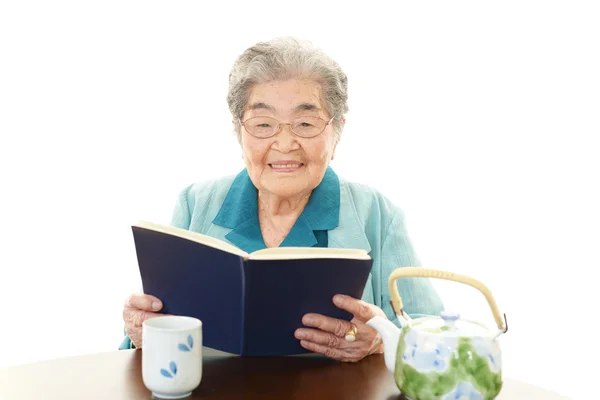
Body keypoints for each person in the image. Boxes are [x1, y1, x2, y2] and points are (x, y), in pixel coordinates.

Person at [120, 37, 444, 362]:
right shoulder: (195, 204)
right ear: (239, 131)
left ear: (337, 132)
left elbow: (437, 336)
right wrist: (139, 331)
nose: (285, 143)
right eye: (263, 124)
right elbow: (144, 338)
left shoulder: (377, 214)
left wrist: (382, 339)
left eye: (305, 123)